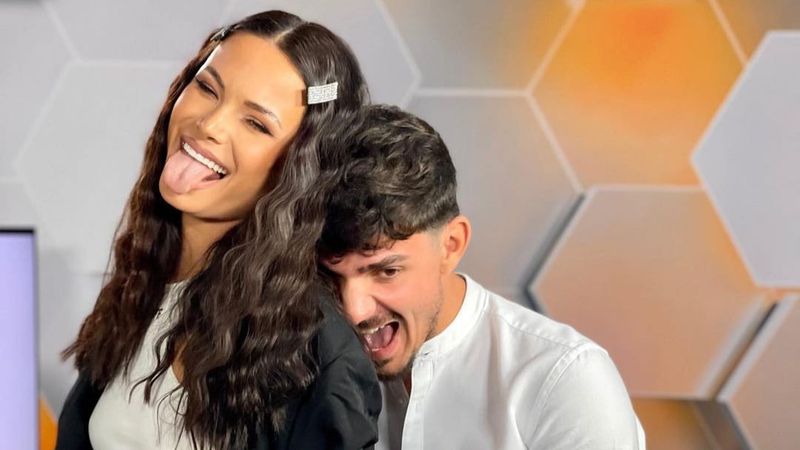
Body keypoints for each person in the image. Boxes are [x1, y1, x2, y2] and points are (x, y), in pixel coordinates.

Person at [56, 11, 381, 450]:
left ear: (301, 168)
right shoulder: (143, 284)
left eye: (256, 123)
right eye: (207, 88)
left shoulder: (320, 358)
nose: (209, 124)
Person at [319, 104, 646, 449]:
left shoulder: (565, 381)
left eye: (387, 271)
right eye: (331, 275)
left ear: (451, 246)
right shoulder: (306, 367)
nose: (354, 310)